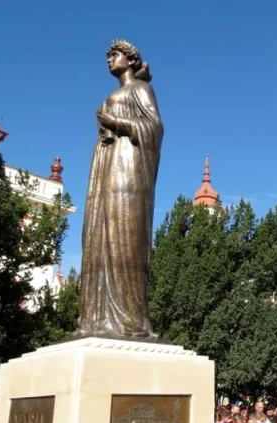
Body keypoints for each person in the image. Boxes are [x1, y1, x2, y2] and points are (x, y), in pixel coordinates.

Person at [76, 39, 163, 339]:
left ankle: (129, 319)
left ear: (130, 59)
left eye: (115, 55)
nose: (109, 60)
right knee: (100, 233)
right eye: (108, 56)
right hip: (108, 166)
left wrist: (114, 120)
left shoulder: (140, 89)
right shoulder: (113, 94)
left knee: (125, 236)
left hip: (129, 170)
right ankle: (96, 319)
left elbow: (154, 127)